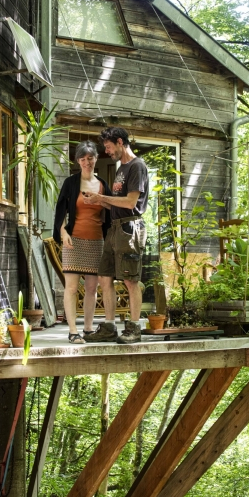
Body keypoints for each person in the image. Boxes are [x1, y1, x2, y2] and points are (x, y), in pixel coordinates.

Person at [83, 127, 149, 344]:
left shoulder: (137, 167)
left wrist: (102, 196)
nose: (107, 152)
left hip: (129, 230)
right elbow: (117, 204)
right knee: (104, 276)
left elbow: (131, 203)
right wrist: (98, 201)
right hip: (115, 228)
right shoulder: (121, 169)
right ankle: (109, 327)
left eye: (109, 147)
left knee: (130, 280)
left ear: (120, 142)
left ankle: (134, 329)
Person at [53, 141, 111, 344]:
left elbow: (112, 210)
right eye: (82, 158)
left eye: (90, 158)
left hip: (97, 240)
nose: (87, 162)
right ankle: (72, 331)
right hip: (73, 240)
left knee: (92, 288)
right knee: (70, 287)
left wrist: (100, 200)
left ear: (96, 158)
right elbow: (60, 210)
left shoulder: (103, 184)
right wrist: (62, 232)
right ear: (78, 161)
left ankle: (87, 329)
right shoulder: (71, 182)